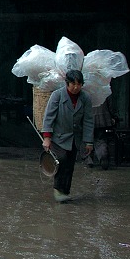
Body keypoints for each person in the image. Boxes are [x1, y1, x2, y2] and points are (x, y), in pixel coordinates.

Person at [41, 69, 94, 203]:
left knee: (70, 164)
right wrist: (47, 138)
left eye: (79, 84)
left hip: (74, 137)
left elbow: (88, 120)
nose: (76, 87)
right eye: (73, 84)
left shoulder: (85, 98)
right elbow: (49, 117)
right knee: (61, 160)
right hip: (59, 136)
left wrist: (88, 142)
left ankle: (65, 191)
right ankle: (58, 189)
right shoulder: (57, 96)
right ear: (67, 83)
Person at [87, 94, 118, 169]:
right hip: (103, 119)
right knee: (100, 139)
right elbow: (111, 106)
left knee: (87, 139)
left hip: (88, 119)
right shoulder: (105, 90)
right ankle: (102, 155)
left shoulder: (85, 90)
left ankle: (89, 160)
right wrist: (113, 117)